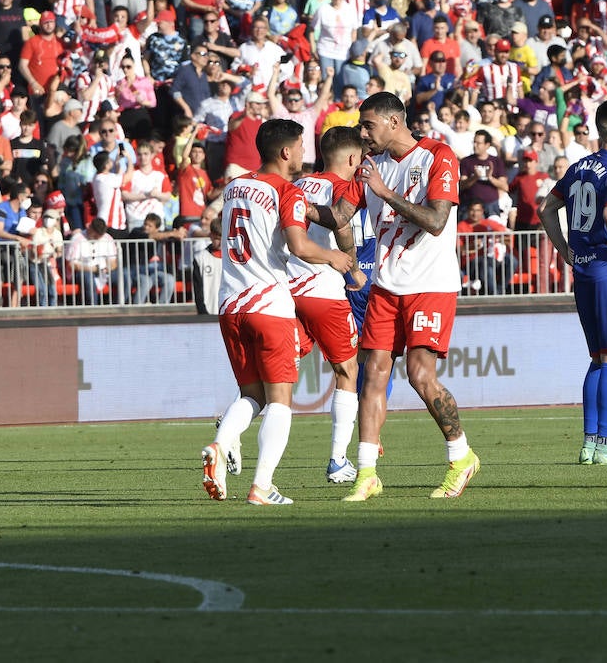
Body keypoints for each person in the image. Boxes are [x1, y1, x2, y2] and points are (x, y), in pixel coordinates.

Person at [201, 119, 355, 507]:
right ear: (286, 152)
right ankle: (261, 487)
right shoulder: (287, 191)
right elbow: (300, 246)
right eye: (302, 146)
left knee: (252, 394)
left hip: (230, 305)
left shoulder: (235, 187)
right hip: (269, 306)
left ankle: (221, 443)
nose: (305, 153)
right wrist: (335, 257)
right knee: (281, 399)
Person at [339, 91, 480, 501]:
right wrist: (294, 203)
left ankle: (461, 457)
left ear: (394, 122)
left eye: (368, 125)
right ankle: (367, 473)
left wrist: (382, 192)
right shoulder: (371, 167)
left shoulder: (438, 155)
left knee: (420, 376)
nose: (362, 133)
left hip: (430, 284)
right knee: (374, 375)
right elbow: (341, 215)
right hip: (386, 284)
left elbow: (436, 221)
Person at [539, 98, 607, 465]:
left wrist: (565, 249)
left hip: (582, 270)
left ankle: (589, 444)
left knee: (598, 358)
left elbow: (545, 208)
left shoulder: (577, 168)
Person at [290, 126, 369, 484]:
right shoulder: (344, 186)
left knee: (279, 367)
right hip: (322, 290)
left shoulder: (299, 185)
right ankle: (338, 459)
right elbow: (342, 225)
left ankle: (231, 423)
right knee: (348, 370)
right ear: (353, 159)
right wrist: (352, 269)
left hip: (285, 288)